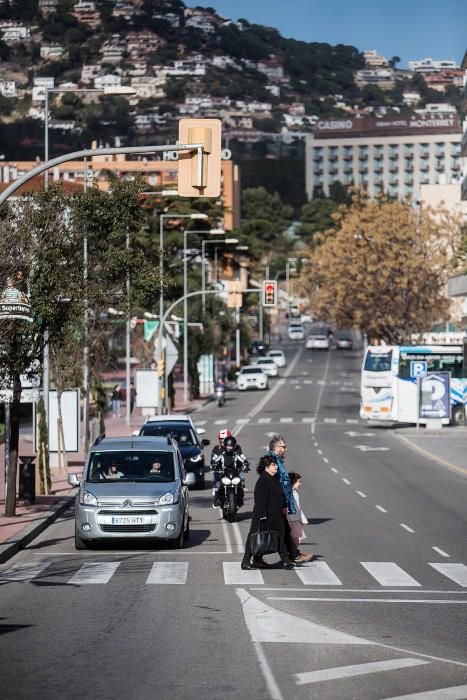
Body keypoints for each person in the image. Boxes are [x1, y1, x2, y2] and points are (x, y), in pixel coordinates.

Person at [260, 436, 313, 565]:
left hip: (279, 502)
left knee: (282, 530)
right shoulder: (273, 461)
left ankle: (292, 555)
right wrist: (283, 503)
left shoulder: (277, 460)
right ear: (277, 448)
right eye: (283, 447)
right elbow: (276, 484)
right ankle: (289, 556)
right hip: (275, 503)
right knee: (271, 531)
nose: (286, 449)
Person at [241, 456, 297, 570]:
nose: (276, 466)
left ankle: (285, 561)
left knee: (281, 537)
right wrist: (262, 515)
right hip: (264, 516)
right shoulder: (263, 480)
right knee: (255, 537)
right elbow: (260, 499)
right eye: (273, 465)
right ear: (266, 467)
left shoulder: (275, 478)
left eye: (276, 464)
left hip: (277, 515)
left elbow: (281, 494)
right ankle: (246, 561)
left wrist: (285, 506)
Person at [210, 431, 250, 508]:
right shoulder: (220, 453)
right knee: (217, 484)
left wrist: (246, 466)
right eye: (227, 446)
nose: (229, 448)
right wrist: (214, 466)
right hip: (223, 473)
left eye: (231, 446)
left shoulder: (236, 453)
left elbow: (243, 459)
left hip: (234, 472)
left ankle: (240, 499)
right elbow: (214, 460)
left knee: (240, 484)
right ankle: (217, 500)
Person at [287, 472, 310, 549]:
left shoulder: (294, 493)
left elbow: (298, 508)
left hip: (295, 520)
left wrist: (302, 519)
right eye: (298, 481)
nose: (300, 484)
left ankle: (293, 554)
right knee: (295, 539)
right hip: (291, 520)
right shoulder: (289, 493)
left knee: (295, 540)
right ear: (293, 482)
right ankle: (293, 555)